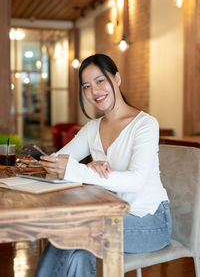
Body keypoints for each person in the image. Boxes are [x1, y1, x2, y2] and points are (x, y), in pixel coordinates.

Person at [35, 54, 172, 277]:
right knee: (79, 252)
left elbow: (135, 182)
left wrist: (82, 170)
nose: (95, 91)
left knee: (73, 230)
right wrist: (80, 169)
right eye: (87, 86)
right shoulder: (92, 128)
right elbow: (56, 164)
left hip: (149, 221)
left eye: (100, 81)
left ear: (117, 78)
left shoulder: (145, 124)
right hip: (107, 215)